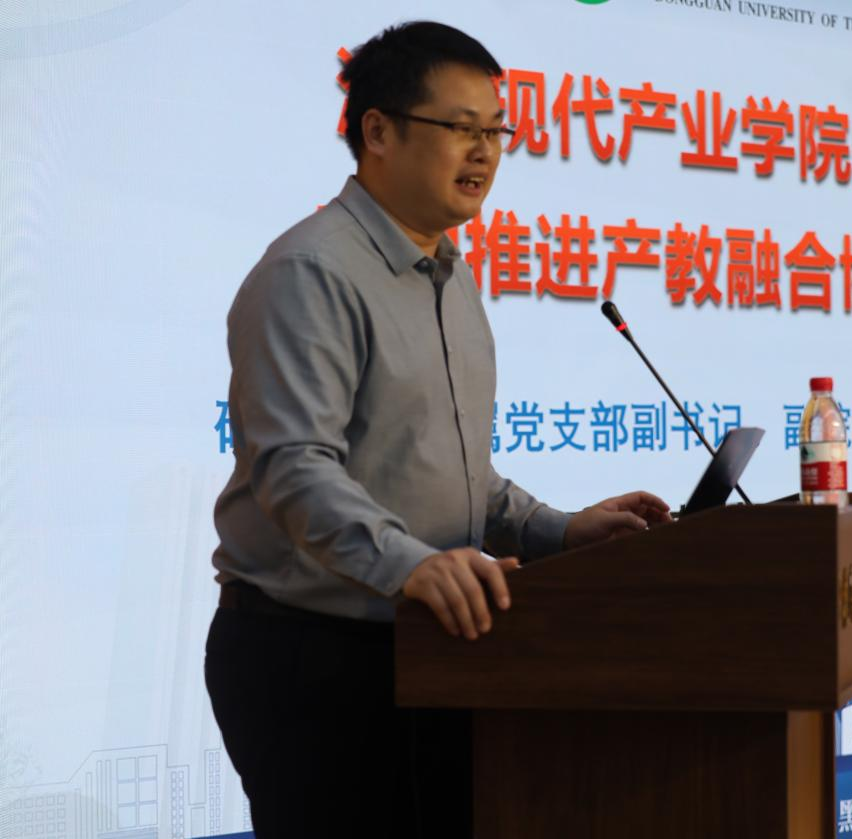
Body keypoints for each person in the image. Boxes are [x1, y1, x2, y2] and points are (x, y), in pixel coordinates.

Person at [204, 20, 671, 838]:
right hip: (311, 656)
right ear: (378, 131)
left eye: (496, 131)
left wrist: (563, 531)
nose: (485, 151)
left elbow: (454, 471)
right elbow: (293, 467)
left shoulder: (450, 274)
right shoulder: (311, 273)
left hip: (431, 647)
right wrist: (412, 564)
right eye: (460, 127)